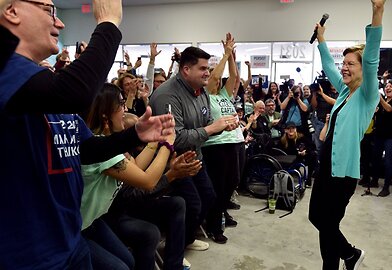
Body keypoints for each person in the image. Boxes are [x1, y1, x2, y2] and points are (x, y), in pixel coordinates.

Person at [0, 1, 175, 269]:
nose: (60, 23)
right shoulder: (7, 72)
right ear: (12, 11)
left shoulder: (46, 90)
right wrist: (108, 23)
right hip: (29, 253)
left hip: (69, 238)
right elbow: (75, 92)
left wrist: (135, 136)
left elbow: (87, 150)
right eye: (51, 11)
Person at [82, 83, 198, 270]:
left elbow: (136, 166)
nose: (125, 108)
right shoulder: (99, 148)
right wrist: (167, 145)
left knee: (128, 261)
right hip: (79, 227)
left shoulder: (106, 145)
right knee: (121, 267)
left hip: (93, 221)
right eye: (120, 104)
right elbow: (147, 181)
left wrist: (153, 140)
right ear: (105, 114)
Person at [308, 1, 385, 269]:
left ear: (364, 69)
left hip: (344, 173)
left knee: (326, 222)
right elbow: (329, 66)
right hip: (327, 166)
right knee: (319, 220)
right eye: (345, 62)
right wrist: (321, 40)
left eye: (351, 63)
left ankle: (350, 254)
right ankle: (343, 259)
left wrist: (377, 14)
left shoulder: (367, 95)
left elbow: (372, 55)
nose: (344, 67)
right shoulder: (344, 92)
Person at [149, 46, 239, 251]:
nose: (208, 73)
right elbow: (176, 138)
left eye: (208, 68)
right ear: (186, 70)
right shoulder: (167, 95)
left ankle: (187, 239)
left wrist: (222, 127)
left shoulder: (201, 91)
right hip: (174, 162)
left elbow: (207, 122)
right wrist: (211, 129)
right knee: (192, 204)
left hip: (195, 157)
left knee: (208, 198)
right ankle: (174, 248)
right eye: (203, 68)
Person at [202, 33, 245, 244]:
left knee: (233, 182)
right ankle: (213, 225)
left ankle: (221, 212)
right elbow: (212, 79)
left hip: (234, 141)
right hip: (216, 145)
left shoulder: (223, 96)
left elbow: (234, 78)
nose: (218, 81)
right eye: (215, 79)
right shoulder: (204, 96)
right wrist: (225, 53)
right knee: (219, 186)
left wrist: (231, 58)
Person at [371, 80, 392, 197]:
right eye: (386, 87)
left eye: (391, 87)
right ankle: (374, 180)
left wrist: (380, 99)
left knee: (389, 161)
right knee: (375, 158)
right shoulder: (380, 102)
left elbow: (389, 109)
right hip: (379, 134)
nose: (388, 88)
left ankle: (386, 187)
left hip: (391, 137)